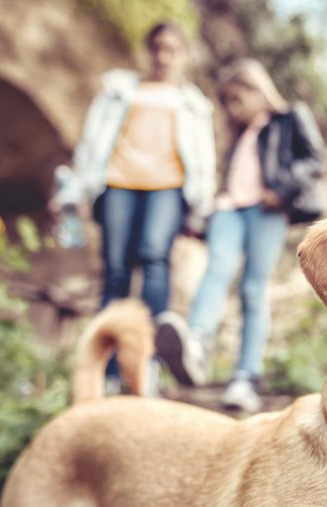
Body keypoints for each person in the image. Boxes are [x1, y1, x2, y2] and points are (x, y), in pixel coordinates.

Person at [53, 21, 216, 394]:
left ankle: (148, 365)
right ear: (148, 51)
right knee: (115, 271)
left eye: (172, 49)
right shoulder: (118, 90)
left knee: (155, 260)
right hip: (117, 184)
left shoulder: (193, 105)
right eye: (157, 47)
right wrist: (74, 189)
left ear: (184, 57)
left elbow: (204, 159)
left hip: (168, 188)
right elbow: (92, 143)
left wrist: (200, 206)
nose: (163, 56)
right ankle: (108, 371)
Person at [155, 58, 324, 412]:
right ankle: (197, 345)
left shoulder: (290, 117)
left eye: (236, 99)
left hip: (267, 210)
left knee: (253, 288)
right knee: (217, 268)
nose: (232, 110)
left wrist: (282, 190)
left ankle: (246, 377)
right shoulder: (239, 138)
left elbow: (313, 160)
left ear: (257, 89)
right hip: (230, 209)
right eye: (228, 103)